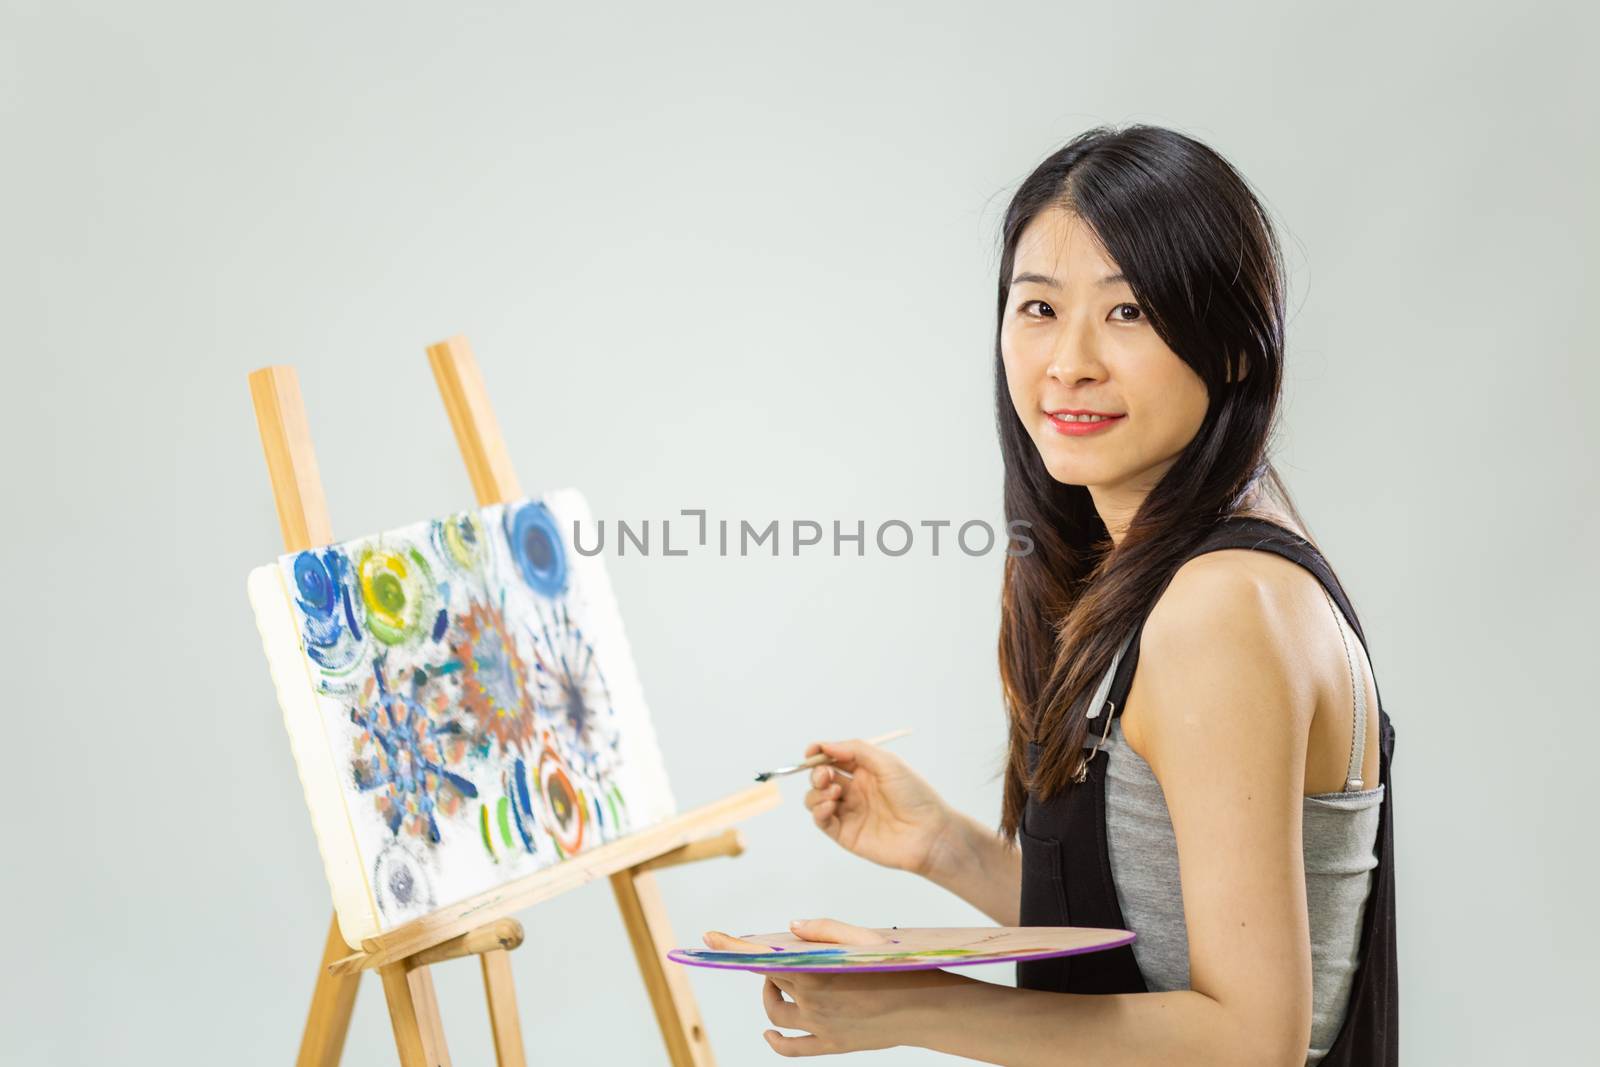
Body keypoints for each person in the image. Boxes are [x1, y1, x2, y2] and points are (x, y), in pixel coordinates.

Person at [703, 124, 1398, 1065]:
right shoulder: (1201, 568)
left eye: (1130, 313)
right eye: (1038, 308)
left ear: (1235, 346)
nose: (1069, 361)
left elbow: (1249, 1038)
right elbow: (1156, 943)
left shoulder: (1220, 604)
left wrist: (913, 1006)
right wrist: (946, 846)